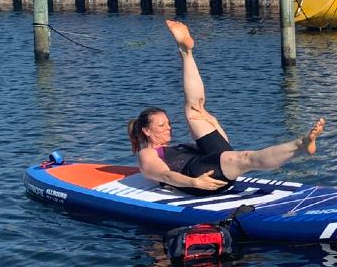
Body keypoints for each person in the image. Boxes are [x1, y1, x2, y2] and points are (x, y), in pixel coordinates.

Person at [129, 20, 325, 193]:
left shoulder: (180, 147)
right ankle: (300, 145)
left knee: (196, 110)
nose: (169, 127)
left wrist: (212, 121)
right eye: (162, 125)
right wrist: (194, 183)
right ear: (146, 130)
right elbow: (166, 176)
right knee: (246, 158)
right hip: (199, 179)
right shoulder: (147, 155)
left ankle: (186, 52)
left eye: (168, 123)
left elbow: (223, 145)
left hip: (210, 168)